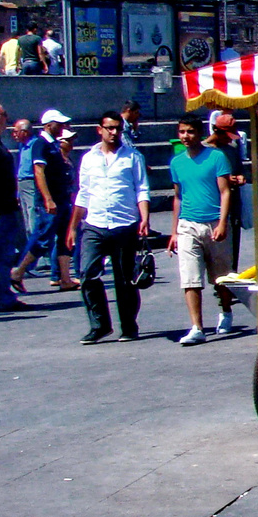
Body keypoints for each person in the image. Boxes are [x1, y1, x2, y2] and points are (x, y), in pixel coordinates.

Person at [65, 111, 151, 343]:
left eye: (117, 129)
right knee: (88, 274)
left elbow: (142, 188)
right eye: (109, 128)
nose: (114, 133)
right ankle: (100, 324)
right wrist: (73, 227)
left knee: (125, 279)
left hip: (124, 223)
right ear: (99, 129)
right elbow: (83, 193)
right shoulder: (89, 158)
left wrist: (144, 218)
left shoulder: (132, 157)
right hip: (95, 223)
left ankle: (128, 325)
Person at [166, 113, 234, 345]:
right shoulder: (177, 162)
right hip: (188, 224)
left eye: (190, 132)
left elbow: (225, 191)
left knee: (221, 277)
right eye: (182, 132)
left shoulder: (216, 157)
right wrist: (174, 231)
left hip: (214, 222)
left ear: (199, 133)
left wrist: (223, 222)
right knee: (190, 278)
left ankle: (225, 309)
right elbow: (177, 197)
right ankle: (197, 326)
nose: (186, 136)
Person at [12, 110, 75, 293]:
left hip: (62, 198)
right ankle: (19, 271)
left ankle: (65, 278)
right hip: (51, 201)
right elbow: (39, 171)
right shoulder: (41, 144)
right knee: (43, 238)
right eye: (58, 123)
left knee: (64, 238)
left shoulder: (54, 144)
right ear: (48, 125)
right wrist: (48, 199)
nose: (62, 126)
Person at [206, 111, 248, 333]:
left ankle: (226, 294)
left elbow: (240, 172)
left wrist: (239, 178)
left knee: (229, 256)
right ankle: (220, 293)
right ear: (216, 131)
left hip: (232, 209)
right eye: (226, 135)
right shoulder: (206, 150)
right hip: (211, 208)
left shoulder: (232, 150)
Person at [0, 103, 28, 313]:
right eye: (4, 114)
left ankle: (5, 298)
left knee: (3, 257)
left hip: (6, 208)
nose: (7, 118)